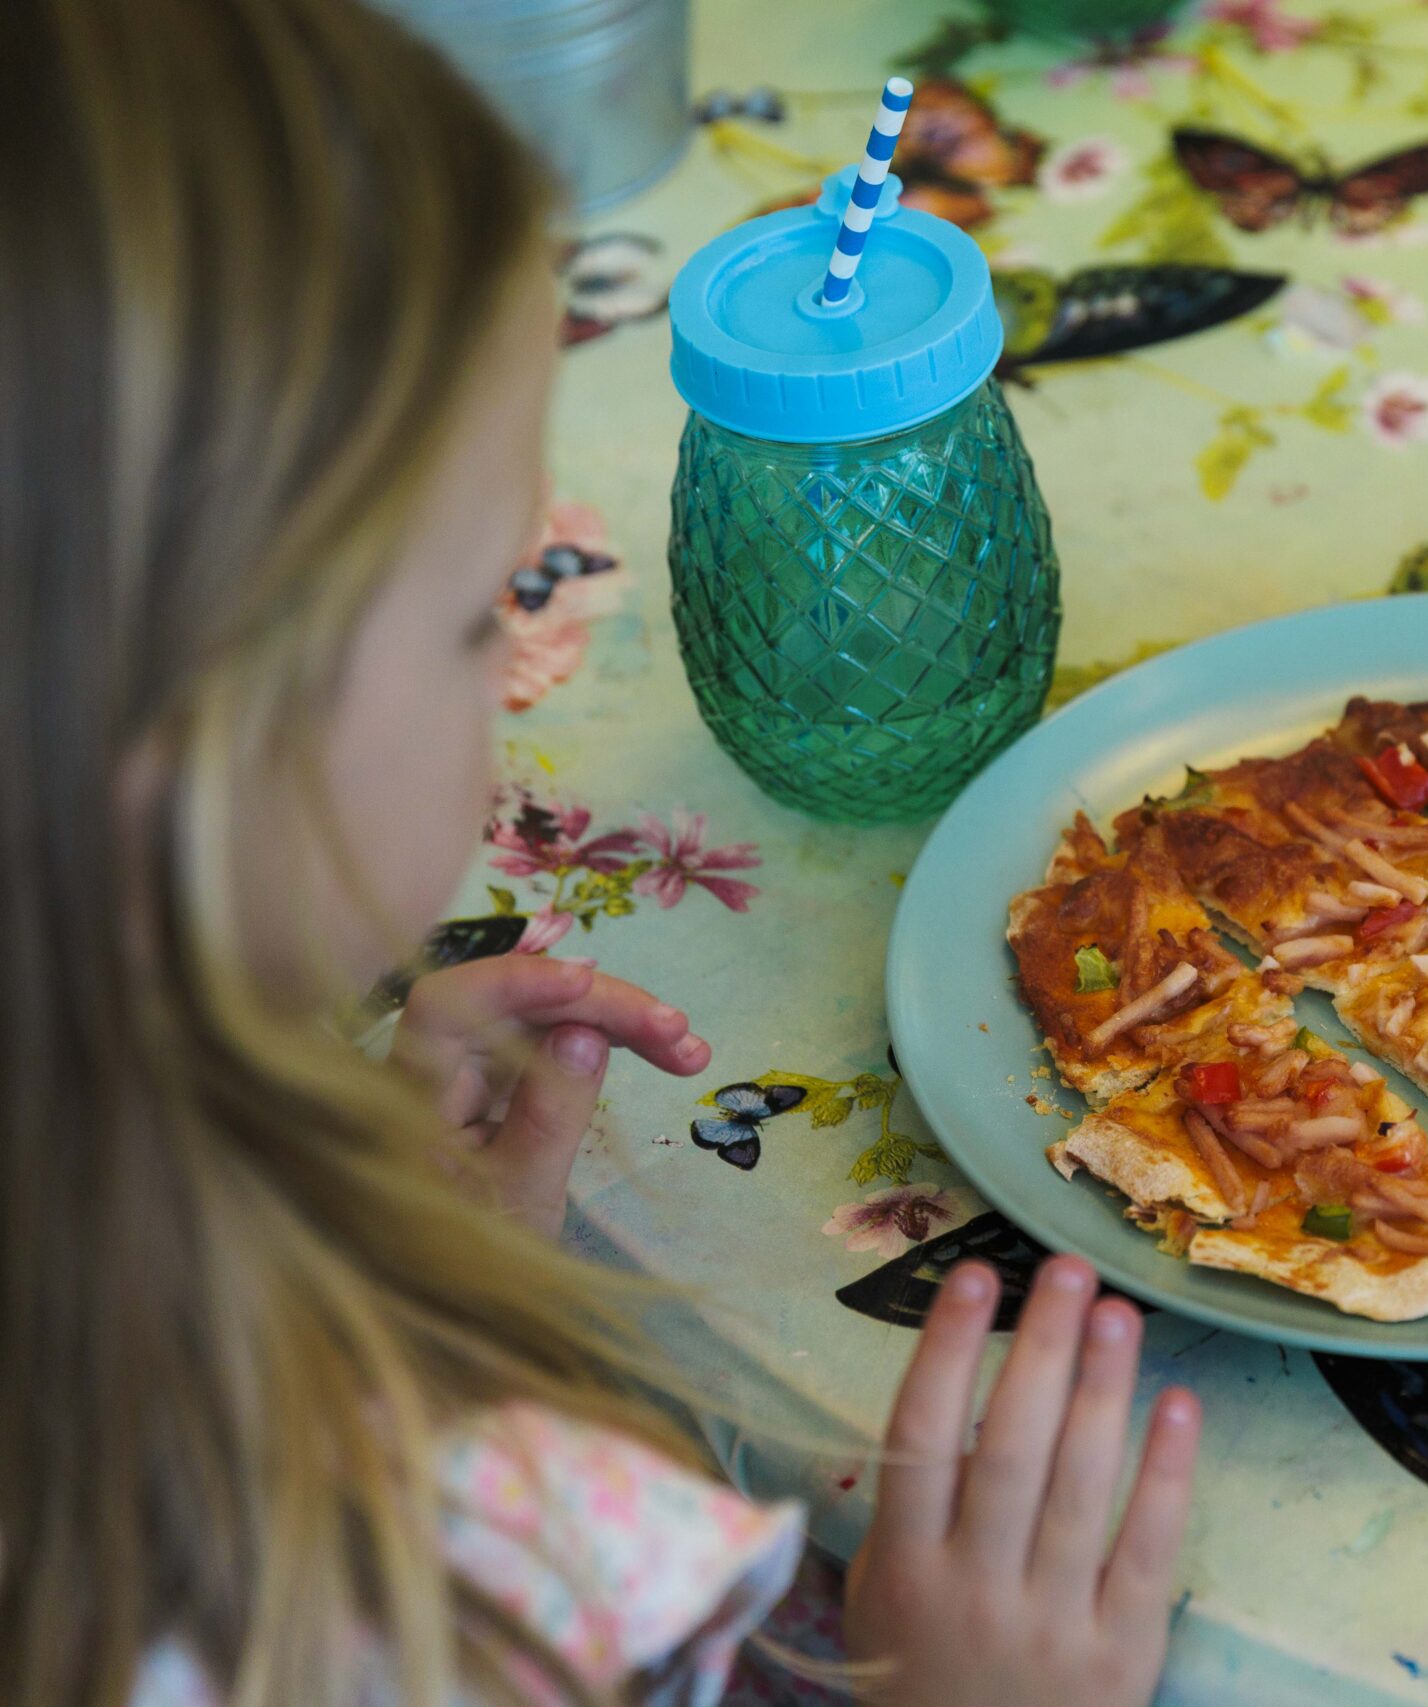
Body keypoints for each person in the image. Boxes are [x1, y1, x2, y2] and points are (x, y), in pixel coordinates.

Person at [0, 2, 1199, 1703]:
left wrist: (402, 1268)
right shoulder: (421, 1566)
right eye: (479, 605)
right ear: (186, 772)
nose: (519, 659)